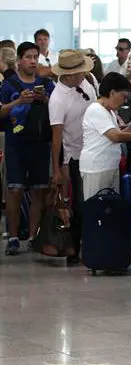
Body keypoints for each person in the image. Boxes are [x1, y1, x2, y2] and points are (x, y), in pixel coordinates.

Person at [0, 42, 56, 256]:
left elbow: (58, 112)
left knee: (39, 191)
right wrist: (18, 102)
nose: (33, 61)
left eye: (36, 57)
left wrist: (46, 99)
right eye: (28, 57)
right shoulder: (8, 85)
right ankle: (13, 237)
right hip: (16, 145)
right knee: (14, 190)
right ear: (19, 60)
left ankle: (33, 236)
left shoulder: (46, 84)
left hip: (41, 144)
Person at [49, 49, 98, 264]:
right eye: (79, 73)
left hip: (94, 149)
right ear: (67, 75)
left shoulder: (86, 83)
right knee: (77, 204)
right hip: (74, 155)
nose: (83, 75)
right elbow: (56, 139)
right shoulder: (58, 99)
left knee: (91, 200)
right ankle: (74, 248)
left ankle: (92, 243)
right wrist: (57, 170)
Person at [80, 73, 131, 199]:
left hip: (108, 166)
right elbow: (115, 137)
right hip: (97, 168)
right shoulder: (96, 110)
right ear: (112, 92)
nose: (125, 101)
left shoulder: (108, 111)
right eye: (123, 96)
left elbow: (116, 135)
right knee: (97, 209)